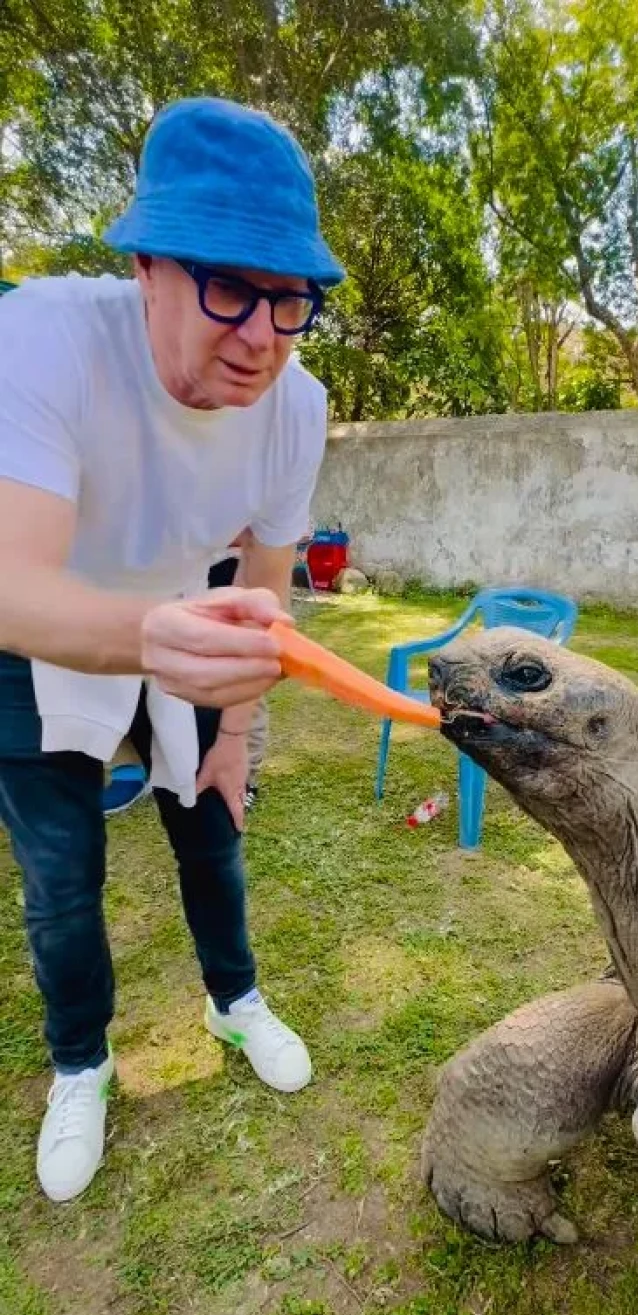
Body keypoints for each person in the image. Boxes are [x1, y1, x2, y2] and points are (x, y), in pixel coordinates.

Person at [0, 95, 345, 1204]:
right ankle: (81, 1064)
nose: (259, 336)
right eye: (228, 287)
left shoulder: (296, 404)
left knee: (214, 834)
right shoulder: (45, 336)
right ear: (145, 264)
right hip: (32, 632)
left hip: (184, 624)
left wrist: (235, 732)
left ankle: (232, 1002)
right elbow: (11, 584)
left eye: (289, 299)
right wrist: (146, 637)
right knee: (63, 883)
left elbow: (265, 586)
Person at [207, 531, 268, 811]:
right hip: (185, 578)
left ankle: (246, 779)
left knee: (245, 682)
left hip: (233, 574)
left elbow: (257, 533)